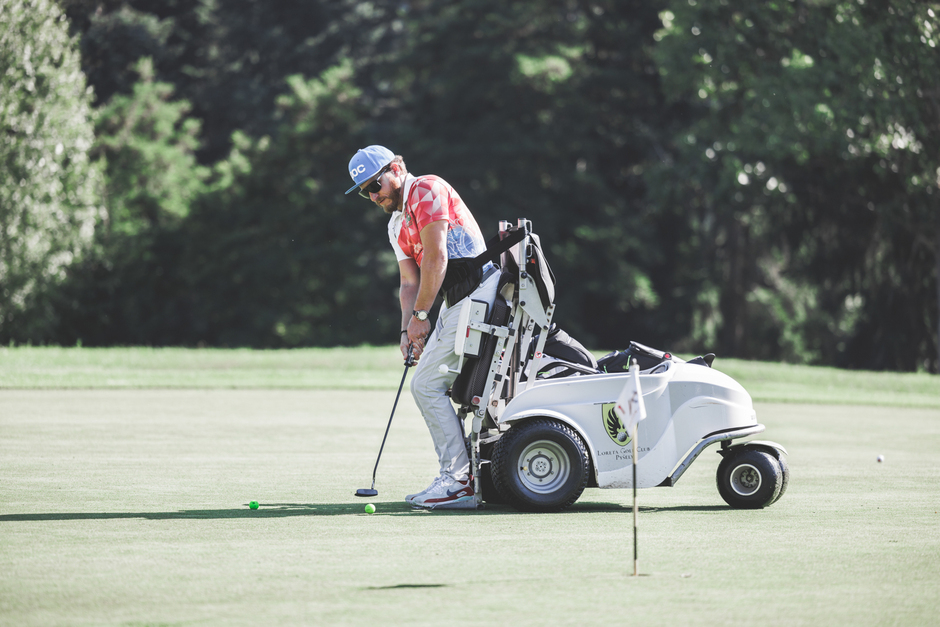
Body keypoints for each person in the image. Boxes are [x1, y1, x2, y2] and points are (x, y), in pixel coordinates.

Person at [345, 145, 499, 510]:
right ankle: (461, 476)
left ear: (396, 168)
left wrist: (421, 318)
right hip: (453, 301)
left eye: (375, 184)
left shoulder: (426, 188)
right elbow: (409, 283)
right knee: (428, 384)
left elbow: (437, 256)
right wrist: (406, 332)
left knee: (427, 385)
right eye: (365, 191)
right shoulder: (395, 224)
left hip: (480, 290)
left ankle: (459, 481)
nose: (373, 195)